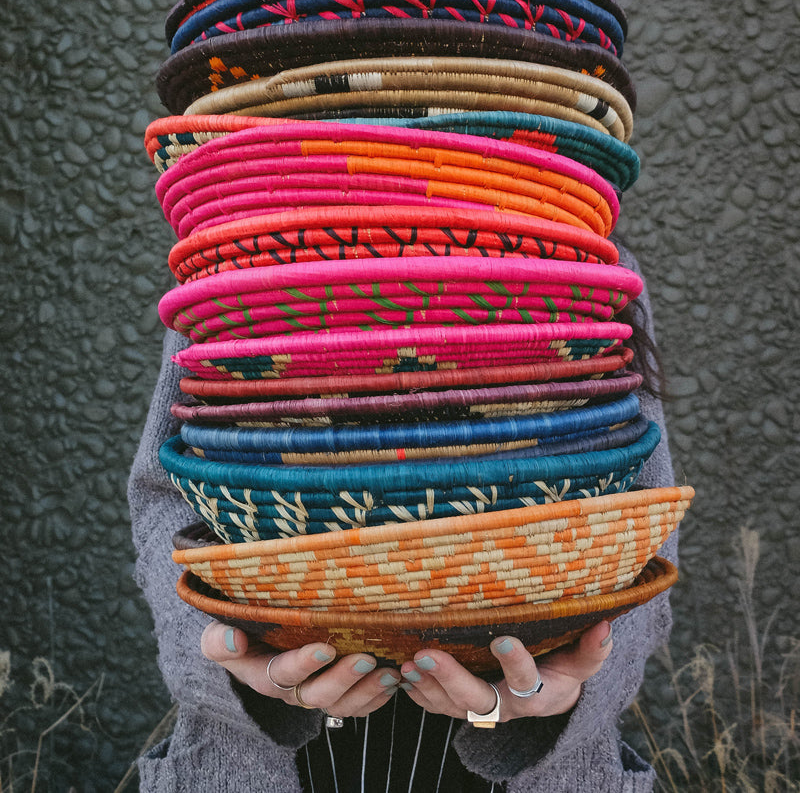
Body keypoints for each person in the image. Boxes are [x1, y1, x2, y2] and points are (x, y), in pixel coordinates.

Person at [128, 242, 677, 792]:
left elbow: (636, 522)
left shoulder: (576, 253)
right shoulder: (243, 249)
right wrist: (236, 661)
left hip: (531, 761)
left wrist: (567, 687)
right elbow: (171, 494)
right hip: (257, 762)